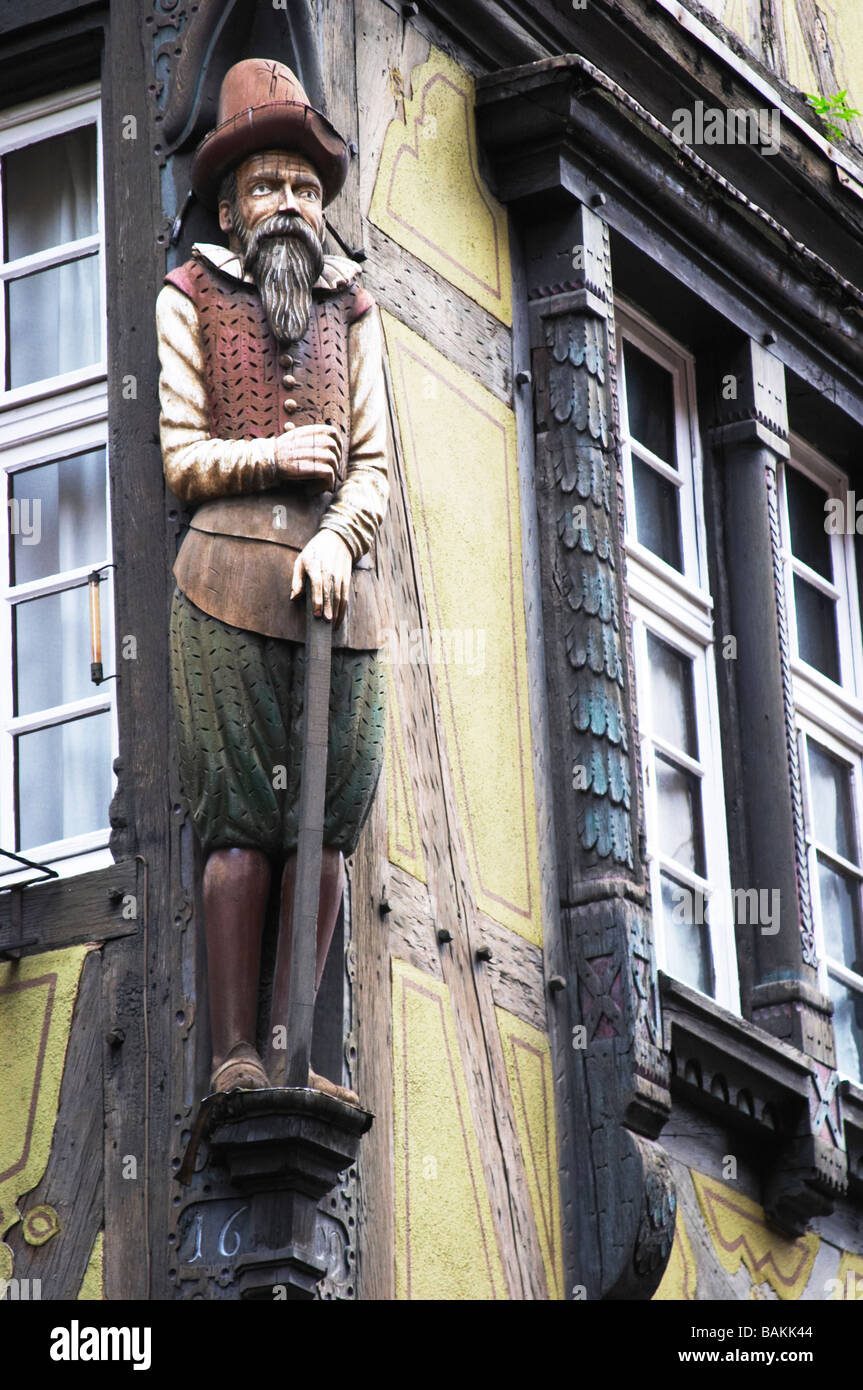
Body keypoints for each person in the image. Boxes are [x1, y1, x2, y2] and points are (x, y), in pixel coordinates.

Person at [156, 59, 388, 1103]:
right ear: (227, 204)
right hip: (223, 583)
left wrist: (341, 536)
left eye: (301, 186)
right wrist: (274, 456)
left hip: (338, 594)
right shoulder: (191, 293)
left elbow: (375, 462)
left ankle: (302, 1052)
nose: (287, 204)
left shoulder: (354, 307)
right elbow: (181, 457)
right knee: (244, 819)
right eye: (266, 187)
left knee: (327, 825)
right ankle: (238, 1051)